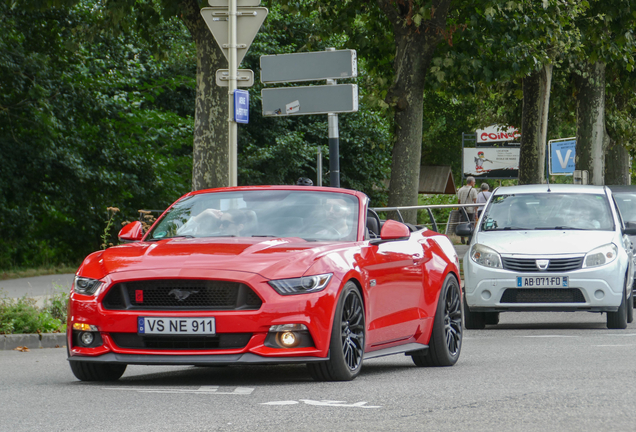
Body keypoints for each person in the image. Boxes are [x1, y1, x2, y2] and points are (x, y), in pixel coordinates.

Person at [457, 176, 478, 244]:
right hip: (471, 210)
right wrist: (476, 212)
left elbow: (459, 201)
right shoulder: (473, 190)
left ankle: (462, 237)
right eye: (474, 182)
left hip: (463, 210)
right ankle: (469, 239)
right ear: (471, 182)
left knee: (462, 223)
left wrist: (460, 207)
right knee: (471, 224)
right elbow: (475, 201)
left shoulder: (460, 189)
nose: (474, 183)